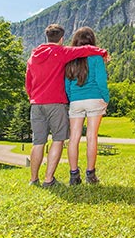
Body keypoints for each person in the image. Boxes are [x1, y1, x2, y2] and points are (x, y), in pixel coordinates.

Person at [25, 24, 108, 187]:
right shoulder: (63, 52)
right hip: (64, 102)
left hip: (40, 103)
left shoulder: (33, 56)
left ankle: (38, 179)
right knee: (65, 139)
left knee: (42, 142)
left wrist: (33, 97)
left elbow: (29, 83)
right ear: (61, 39)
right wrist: (102, 52)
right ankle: (57, 178)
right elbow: (87, 55)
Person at [64, 26, 110, 185]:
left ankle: (73, 175)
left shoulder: (70, 59)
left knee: (74, 138)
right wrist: (106, 98)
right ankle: (90, 175)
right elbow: (101, 81)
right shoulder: (97, 58)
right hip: (95, 99)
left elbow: (67, 85)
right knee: (92, 137)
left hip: (76, 101)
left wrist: (72, 99)